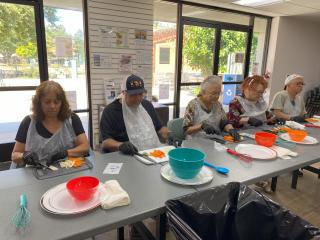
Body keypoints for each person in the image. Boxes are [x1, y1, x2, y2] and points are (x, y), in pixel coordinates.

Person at [11, 81, 90, 168]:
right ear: (39, 103)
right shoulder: (28, 122)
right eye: (47, 102)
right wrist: (24, 156)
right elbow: (14, 155)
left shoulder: (72, 119)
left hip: (65, 168)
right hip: (34, 171)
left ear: (62, 103)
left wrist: (66, 153)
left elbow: (85, 147)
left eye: (56, 102)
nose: (52, 106)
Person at [100, 74, 169, 154]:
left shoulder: (147, 105)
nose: (138, 98)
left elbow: (159, 128)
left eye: (140, 94)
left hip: (150, 152)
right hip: (123, 154)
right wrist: (120, 145)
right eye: (133, 95)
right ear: (123, 93)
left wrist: (167, 133)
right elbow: (105, 142)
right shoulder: (110, 111)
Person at [182, 75, 240, 140]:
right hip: (195, 141)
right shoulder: (193, 105)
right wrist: (201, 126)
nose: (216, 96)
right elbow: (186, 130)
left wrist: (231, 129)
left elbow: (224, 122)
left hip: (213, 140)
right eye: (213, 93)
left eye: (218, 93)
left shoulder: (217, 104)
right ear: (203, 92)